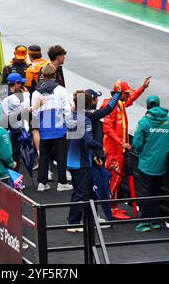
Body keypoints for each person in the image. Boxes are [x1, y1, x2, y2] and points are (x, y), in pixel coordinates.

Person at [101, 77, 151, 220]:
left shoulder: (120, 104)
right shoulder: (110, 108)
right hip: (113, 150)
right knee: (115, 179)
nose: (128, 95)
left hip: (118, 149)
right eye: (126, 93)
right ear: (119, 93)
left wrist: (143, 88)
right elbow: (107, 128)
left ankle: (113, 207)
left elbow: (132, 98)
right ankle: (108, 208)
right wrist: (121, 142)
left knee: (115, 178)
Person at [132, 96, 169, 232]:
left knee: (146, 192)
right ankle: (155, 220)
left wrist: (141, 151)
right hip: (161, 164)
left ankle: (145, 222)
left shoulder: (144, 122)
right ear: (158, 104)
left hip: (146, 164)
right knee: (156, 191)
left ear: (147, 106)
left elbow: (136, 143)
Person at [66, 90, 104, 232]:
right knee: (81, 192)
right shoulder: (85, 119)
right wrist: (101, 146)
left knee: (79, 191)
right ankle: (73, 223)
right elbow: (88, 140)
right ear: (88, 104)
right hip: (82, 162)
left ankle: (83, 219)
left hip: (71, 160)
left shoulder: (70, 117)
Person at [32, 64, 72, 192]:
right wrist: (69, 123)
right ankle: (62, 182)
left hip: (44, 128)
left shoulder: (36, 92)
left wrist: (38, 127)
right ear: (55, 75)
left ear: (42, 76)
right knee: (61, 156)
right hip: (59, 127)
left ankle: (42, 184)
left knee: (43, 156)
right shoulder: (61, 90)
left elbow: (35, 112)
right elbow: (67, 109)